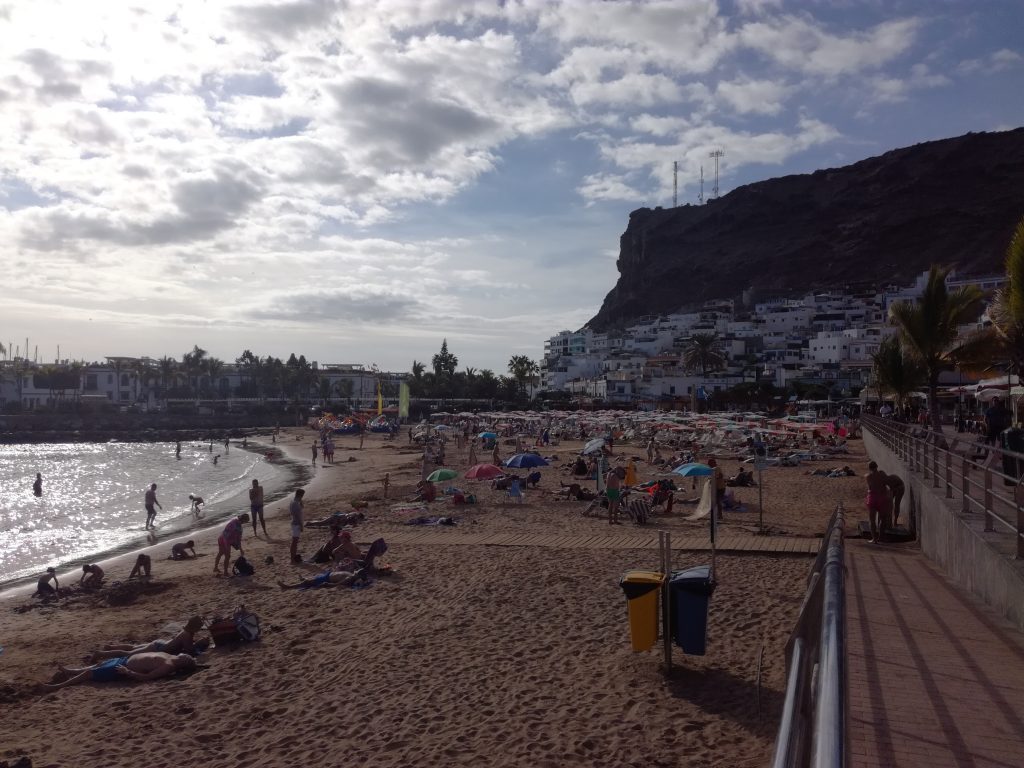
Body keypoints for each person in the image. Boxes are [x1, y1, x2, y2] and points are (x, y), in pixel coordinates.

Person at [44, 652, 197, 689]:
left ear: (184, 661)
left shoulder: (169, 665)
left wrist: (127, 672)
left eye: (187, 657)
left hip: (124, 668)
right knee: (95, 666)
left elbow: (148, 677)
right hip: (124, 660)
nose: (185, 654)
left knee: (89, 674)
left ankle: (58, 686)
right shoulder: (170, 656)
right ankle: (71, 671)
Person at [89, 617, 204, 661]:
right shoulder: (187, 635)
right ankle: (100, 654)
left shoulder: (186, 632)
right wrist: (200, 643)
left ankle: (110, 647)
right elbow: (189, 650)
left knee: (133, 648)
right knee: (128, 654)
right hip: (158, 647)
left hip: (160, 644)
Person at [865, 461, 891, 543]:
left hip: (872, 497)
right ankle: (881, 537)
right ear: (877, 466)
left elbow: (869, 487)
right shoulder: (882, 474)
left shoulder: (868, 476)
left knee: (872, 520)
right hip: (882, 497)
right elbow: (887, 483)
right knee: (883, 518)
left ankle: (874, 539)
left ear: (869, 468)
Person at [277, 569, 366, 590]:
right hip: (328, 575)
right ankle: (304, 579)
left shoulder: (349, 577)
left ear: (357, 575)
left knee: (307, 583)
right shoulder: (351, 575)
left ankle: (288, 587)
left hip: (327, 578)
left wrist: (326, 585)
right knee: (313, 578)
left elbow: (337, 584)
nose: (355, 571)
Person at [289, 488, 305, 563]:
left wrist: (301, 502)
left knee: (295, 541)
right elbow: (297, 515)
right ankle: (292, 559)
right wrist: (301, 525)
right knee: (294, 542)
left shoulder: (294, 502)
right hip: (296, 524)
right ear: (300, 495)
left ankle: (293, 558)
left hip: (295, 523)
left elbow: (301, 508)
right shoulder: (295, 503)